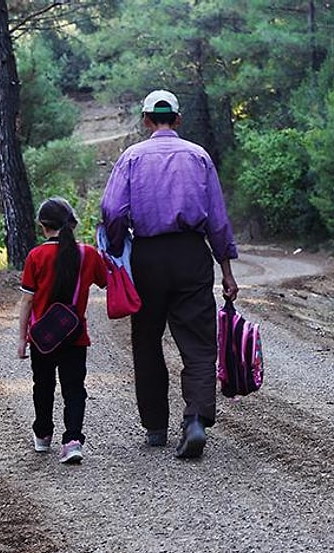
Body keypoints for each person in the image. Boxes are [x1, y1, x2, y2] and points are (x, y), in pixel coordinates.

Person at [100, 89, 239, 459]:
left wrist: (117, 249)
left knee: (146, 341)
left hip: (147, 257)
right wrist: (226, 270)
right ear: (177, 119)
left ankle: (155, 428)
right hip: (191, 255)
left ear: (146, 120)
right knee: (197, 343)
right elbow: (219, 221)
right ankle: (194, 419)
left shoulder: (130, 157)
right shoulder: (198, 157)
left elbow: (112, 211)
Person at [18, 197, 107, 464]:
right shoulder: (88, 254)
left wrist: (22, 339)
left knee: (42, 386)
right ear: (72, 223)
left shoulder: (36, 256)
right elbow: (105, 283)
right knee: (74, 389)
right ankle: (72, 441)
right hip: (75, 336)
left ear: (42, 226)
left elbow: (27, 300)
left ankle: (43, 435)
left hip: (42, 338)